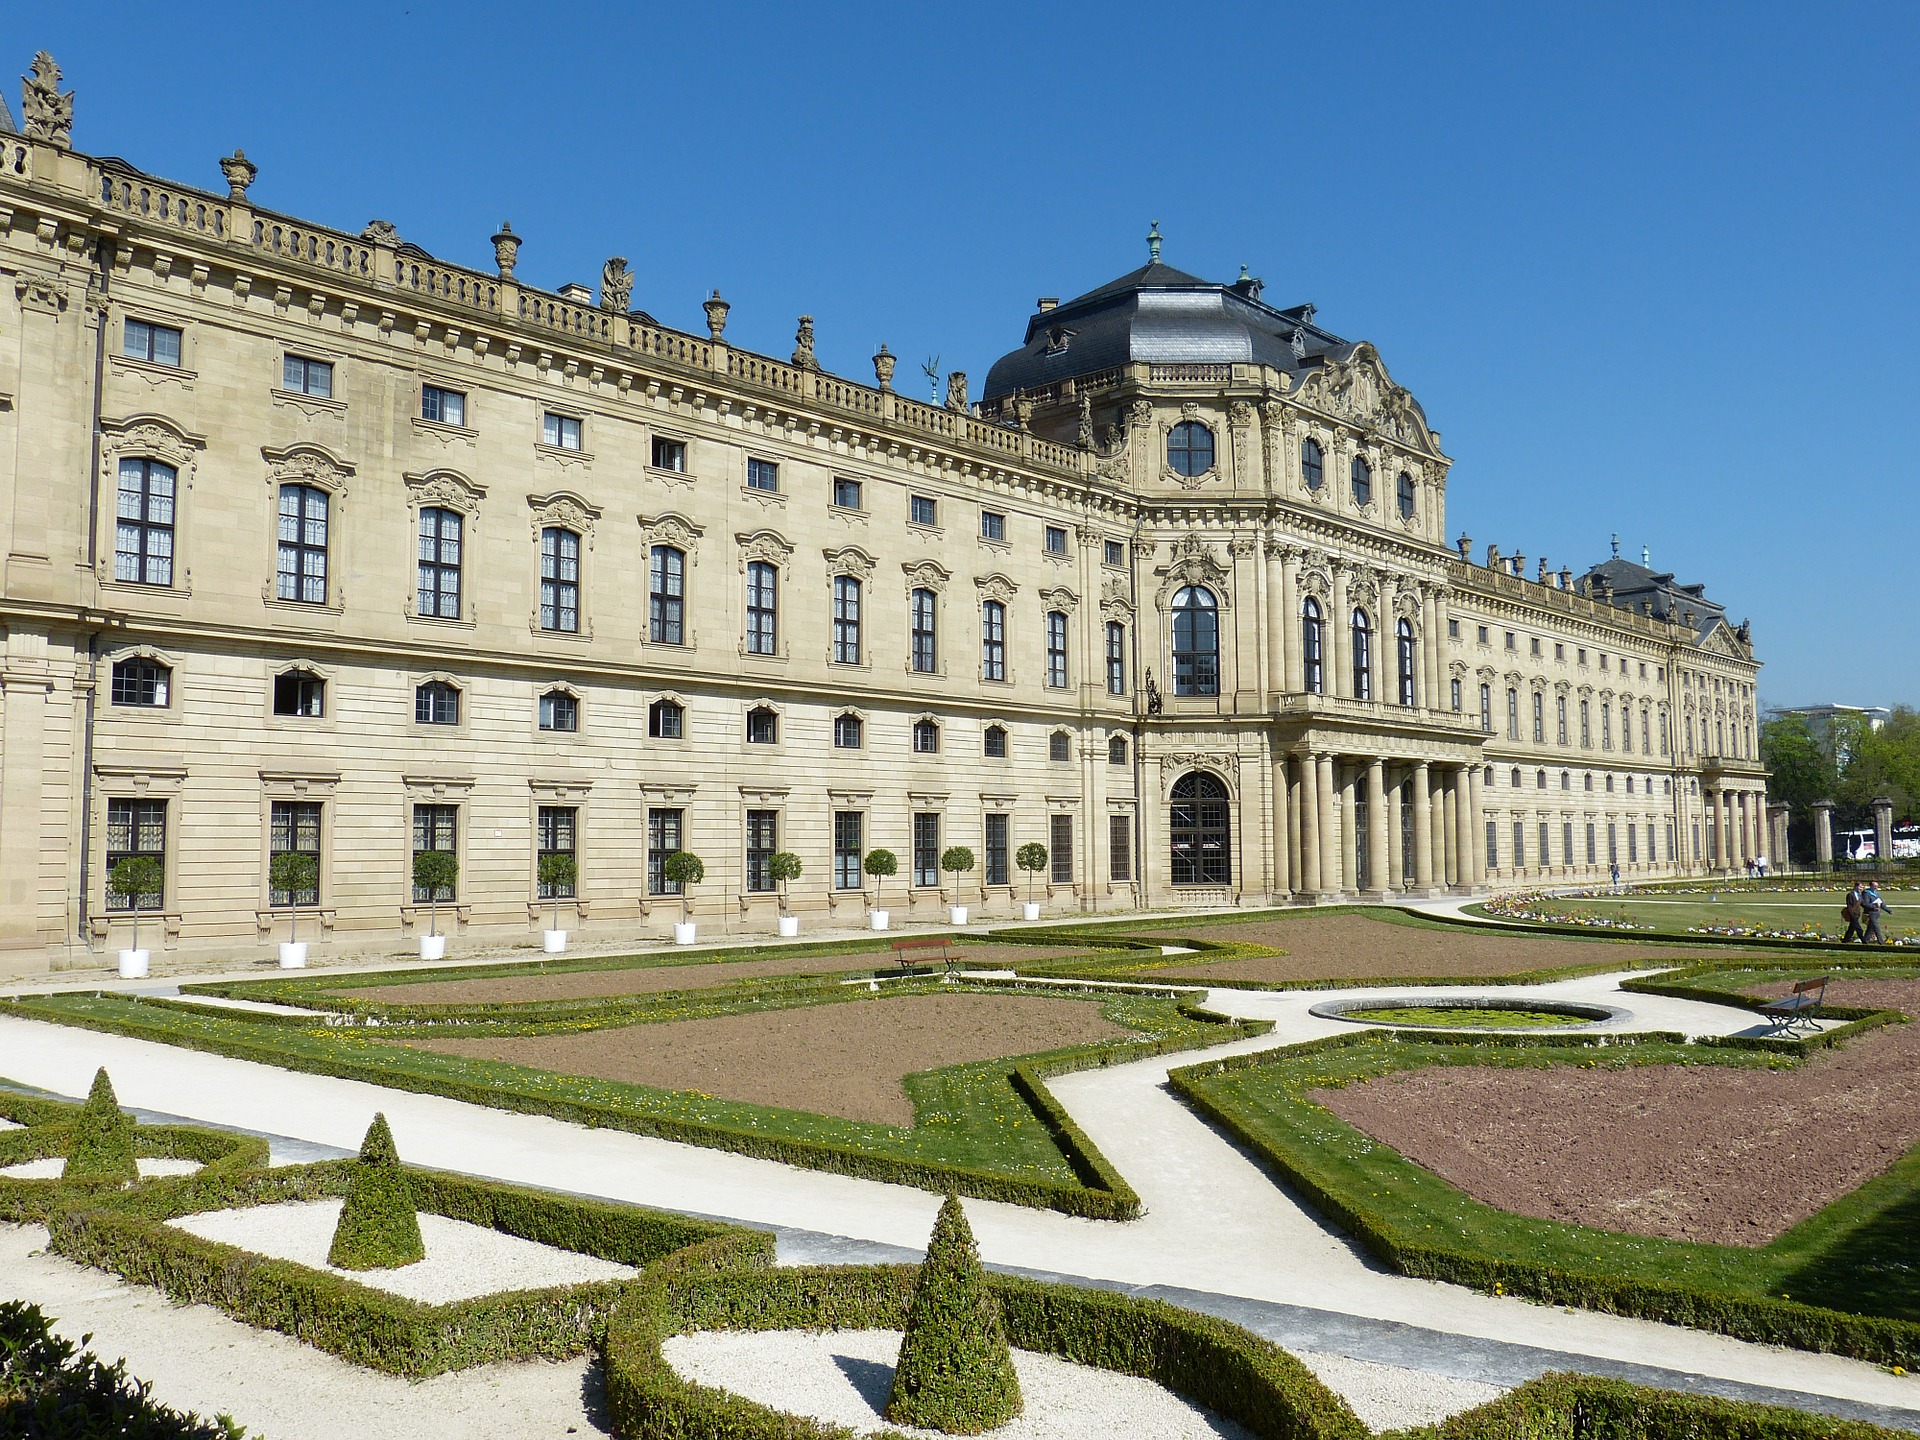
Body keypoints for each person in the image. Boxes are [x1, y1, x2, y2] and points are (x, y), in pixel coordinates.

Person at [1863, 879, 1889, 944]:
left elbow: (1881, 904)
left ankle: (1865, 940)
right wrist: (1874, 906)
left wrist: (1888, 910)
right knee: (1876, 928)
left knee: (1870, 928)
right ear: (1871, 886)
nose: (1876, 887)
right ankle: (1881, 942)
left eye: (1877, 886)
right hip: (1871, 913)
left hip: (1877, 913)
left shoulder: (1876, 893)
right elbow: (1865, 903)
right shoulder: (1866, 893)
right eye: (1875, 886)